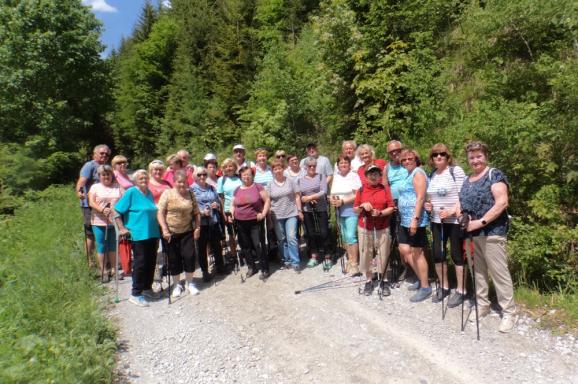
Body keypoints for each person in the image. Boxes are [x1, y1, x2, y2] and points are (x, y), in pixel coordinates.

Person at [458, 140, 516, 333]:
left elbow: (502, 203)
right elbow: (464, 205)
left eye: (478, 156)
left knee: (499, 272)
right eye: (472, 157)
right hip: (474, 233)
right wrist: (462, 217)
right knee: (479, 271)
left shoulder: (494, 175)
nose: (475, 160)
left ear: (486, 156)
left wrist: (481, 222)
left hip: (493, 232)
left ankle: (509, 312)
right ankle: (482, 305)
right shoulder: (467, 180)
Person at [424, 144, 467, 306]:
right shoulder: (433, 174)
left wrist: (450, 211)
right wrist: (428, 206)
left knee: (456, 255)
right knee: (438, 254)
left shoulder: (455, 171)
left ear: (448, 157)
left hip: (454, 221)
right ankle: (444, 286)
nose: (439, 157)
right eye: (435, 155)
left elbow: (464, 196)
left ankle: (461, 290)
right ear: (432, 158)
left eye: (442, 154)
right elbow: (431, 198)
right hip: (437, 221)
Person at [114, 170, 161, 307]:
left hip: (152, 232)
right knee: (140, 263)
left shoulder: (149, 193)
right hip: (138, 234)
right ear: (135, 180)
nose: (144, 180)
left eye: (146, 177)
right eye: (141, 178)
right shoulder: (131, 192)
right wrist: (122, 228)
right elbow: (116, 211)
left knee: (151, 262)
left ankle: (147, 288)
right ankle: (135, 293)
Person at [157, 171, 202, 298]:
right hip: (170, 232)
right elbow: (160, 212)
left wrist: (198, 227)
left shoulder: (191, 194)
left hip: (187, 231)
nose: (182, 185)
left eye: (184, 182)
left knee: (190, 256)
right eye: (179, 182)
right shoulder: (167, 193)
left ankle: (190, 282)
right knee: (173, 259)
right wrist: (164, 229)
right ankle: (177, 284)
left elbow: (197, 213)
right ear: (174, 182)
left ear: (187, 182)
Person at [353, 165, 395, 296]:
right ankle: (369, 280)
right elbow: (355, 209)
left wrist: (381, 213)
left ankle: (384, 280)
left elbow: (391, 207)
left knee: (383, 253)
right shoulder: (361, 190)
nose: (373, 176)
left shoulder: (385, 189)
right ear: (366, 176)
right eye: (371, 173)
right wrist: (362, 206)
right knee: (366, 253)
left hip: (382, 226)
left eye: (376, 173)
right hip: (365, 226)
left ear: (380, 176)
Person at [397, 149, 431, 302]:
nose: (407, 161)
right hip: (404, 219)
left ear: (416, 159)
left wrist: (415, 220)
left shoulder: (418, 173)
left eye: (410, 158)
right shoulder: (408, 174)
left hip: (415, 219)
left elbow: (420, 197)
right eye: (404, 160)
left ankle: (425, 286)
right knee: (404, 248)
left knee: (417, 252)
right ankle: (420, 277)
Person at [231, 166, 271, 280]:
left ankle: (264, 268)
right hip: (240, 222)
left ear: (252, 175)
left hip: (255, 221)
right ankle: (251, 267)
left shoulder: (258, 187)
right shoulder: (237, 189)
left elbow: (267, 200)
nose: (246, 176)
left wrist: (263, 213)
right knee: (245, 246)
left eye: (248, 174)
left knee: (258, 245)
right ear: (240, 176)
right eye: (244, 175)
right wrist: (232, 213)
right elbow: (233, 204)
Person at [76, 144, 111, 264]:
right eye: (102, 153)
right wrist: (80, 192)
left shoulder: (106, 167)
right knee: (90, 233)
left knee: (104, 231)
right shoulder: (89, 165)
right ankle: (89, 261)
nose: (104, 155)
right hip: (89, 205)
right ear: (94, 154)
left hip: (103, 205)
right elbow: (81, 182)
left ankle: (105, 259)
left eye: (106, 154)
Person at [266, 159, 303, 271]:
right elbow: (268, 200)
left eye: (280, 168)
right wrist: (269, 219)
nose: (278, 170)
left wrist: (299, 210)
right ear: (272, 171)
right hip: (276, 215)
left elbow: (297, 196)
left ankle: (295, 261)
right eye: (275, 169)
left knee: (291, 237)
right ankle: (286, 259)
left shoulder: (291, 181)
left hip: (291, 213)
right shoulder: (270, 184)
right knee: (281, 239)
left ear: (283, 169)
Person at [192, 167, 227, 281]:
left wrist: (216, 205)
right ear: (195, 176)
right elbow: (189, 206)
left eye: (204, 174)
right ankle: (205, 271)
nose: (202, 177)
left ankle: (220, 266)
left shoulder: (211, 188)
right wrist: (201, 212)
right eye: (199, 175)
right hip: (200, 223)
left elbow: (217, 200)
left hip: (213, 221)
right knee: (201, 248)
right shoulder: (191, 190)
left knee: (216, 245)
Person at [88, 164, 123, 278]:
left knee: (113, 245)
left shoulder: (117, 187)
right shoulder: (95, 187)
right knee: (101, 245)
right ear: (99, 176)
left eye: (108, 174)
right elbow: (91, 202)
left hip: (114, 221)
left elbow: (124, 199)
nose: (106, 176)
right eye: (103, 175)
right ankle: (103, 270)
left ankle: (114, 269)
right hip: (99, 220)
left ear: (112, 175)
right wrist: (102, 209)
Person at [330, 155, 362, 276]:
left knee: (350, 235)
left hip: (351, 209)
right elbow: (333, 193)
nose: (343, 164)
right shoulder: (336, 177)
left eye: (345, 162)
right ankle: (350, 259)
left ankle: (355, 264)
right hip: (339, 210)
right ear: (337, 165)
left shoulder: (353, 175)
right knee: (344, 237)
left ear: (349, 165)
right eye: (341, 163)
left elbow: (357, 194)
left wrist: (343, 201)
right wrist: (333, 200)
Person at [298, 157, 330, 269]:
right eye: (310, 166)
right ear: (305, 167)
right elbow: (300, 195)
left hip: (321, 208)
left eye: (314, 165)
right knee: (310, 234)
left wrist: (310, 197)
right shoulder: (300, 180)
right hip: (307, 209)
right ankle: (313, 256)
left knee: (324, 232)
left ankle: (327, 256)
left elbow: (324, 191)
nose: (312, 167)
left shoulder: (321, 176)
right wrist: (305, 199)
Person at [147, 159, 172, 290]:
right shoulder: (147, 184)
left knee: (168, 245)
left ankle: (168, 269)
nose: (157, 171)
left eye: (160, 169)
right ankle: (156, 276)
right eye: (155, 169)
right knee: (154, 248)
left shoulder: (167, 183)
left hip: (168, 219)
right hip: (152, 220)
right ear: (150, 171)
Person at [217, 158, 243, 264]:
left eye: (231, 166)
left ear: (235, 167)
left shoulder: (239, 177)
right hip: (229, 210)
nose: (229, 168)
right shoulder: (221, 180)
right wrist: (223, 212)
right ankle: (233, 255)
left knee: (243, 233)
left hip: (242, 209)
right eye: (226, 166)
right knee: (232, 235)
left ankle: (244, 253)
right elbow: (221, 198)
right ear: (223, 168)